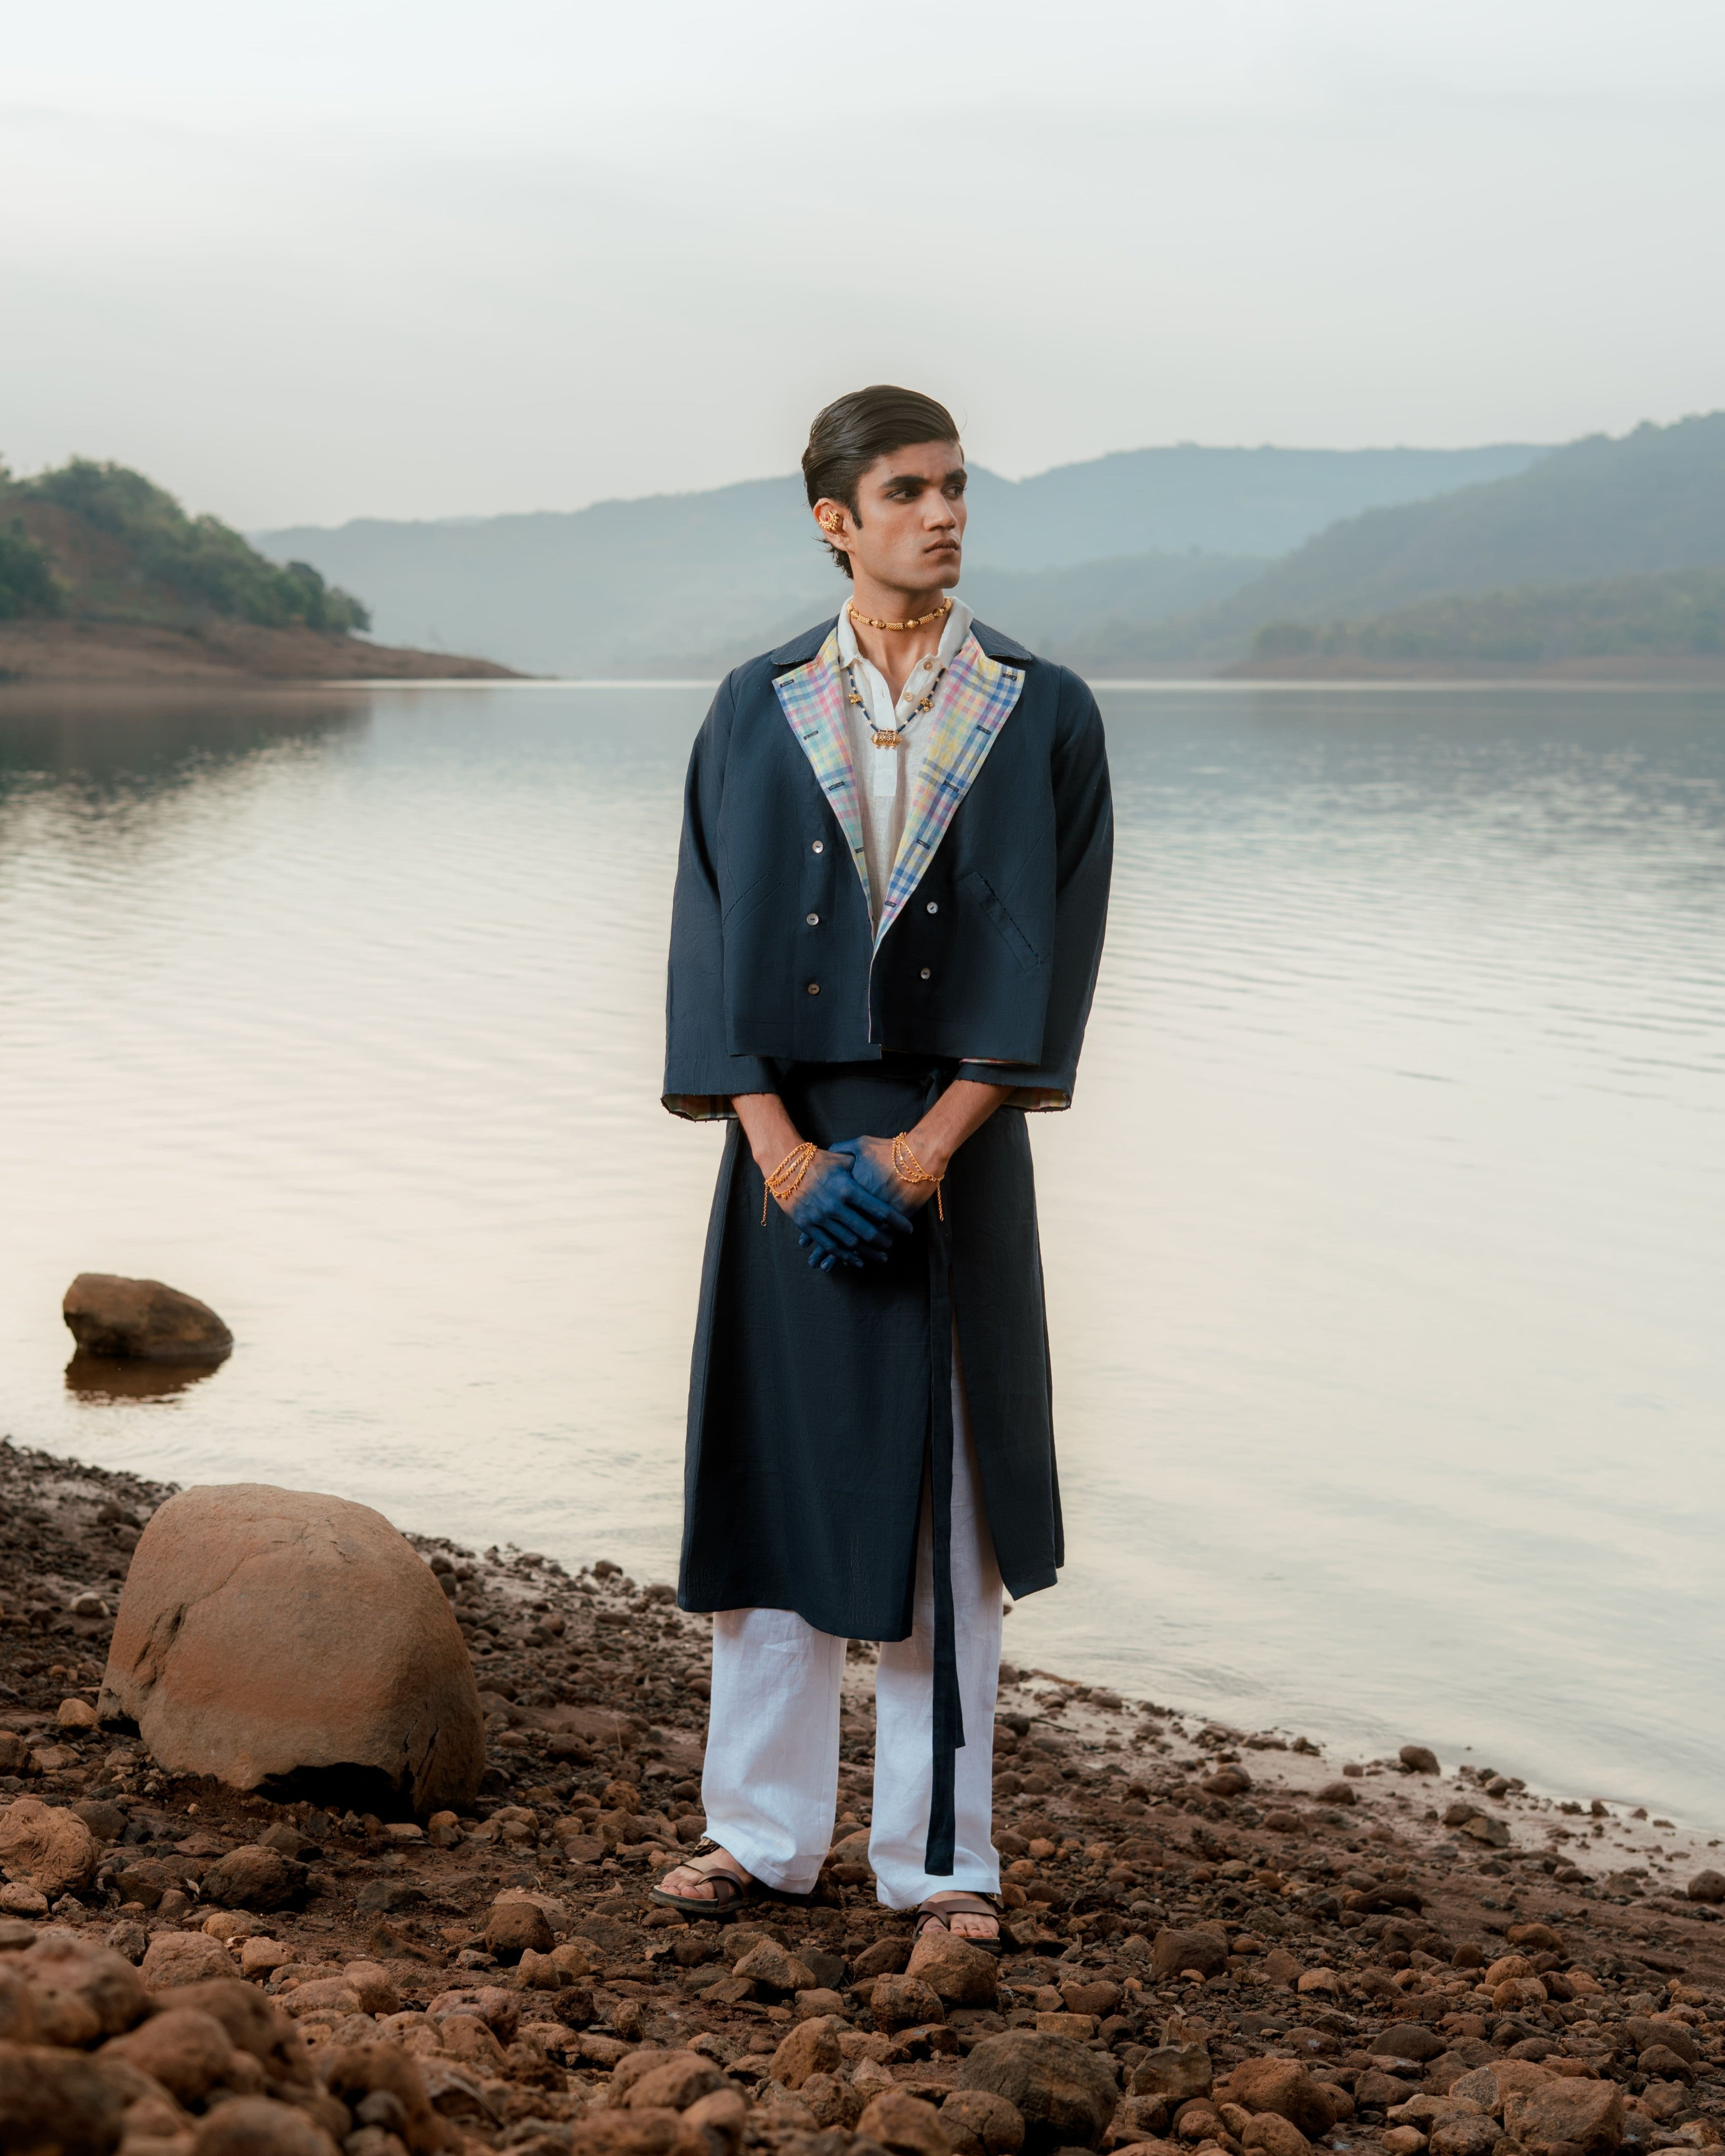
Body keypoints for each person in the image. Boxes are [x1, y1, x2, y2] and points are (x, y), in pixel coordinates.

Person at [655, 384, 1113, 1947]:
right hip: (779, 1146)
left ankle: (943, 1870)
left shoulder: (1039, 709)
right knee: (776, 1494)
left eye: (956, 487)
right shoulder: (754, 699)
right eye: (908, 491)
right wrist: (782, 1156)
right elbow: (708, 934)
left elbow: (1055, 955)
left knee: (951, 1520)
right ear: (833, 520)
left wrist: (924, 1150)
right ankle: (760, 1841)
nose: (945, 514)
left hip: (957, 1149)